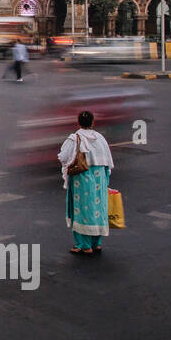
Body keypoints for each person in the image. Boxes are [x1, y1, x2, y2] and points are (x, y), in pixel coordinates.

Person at [58, 110, 115, 256]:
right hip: (99, 177)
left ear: (78, 122)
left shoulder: (75, 138)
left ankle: (83, 245)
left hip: (82, 178)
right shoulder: (100, 138)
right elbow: (108, 160)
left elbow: (63, 157)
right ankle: (96, 243)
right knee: (98, 207)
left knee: (82, 209)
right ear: (92, 122)